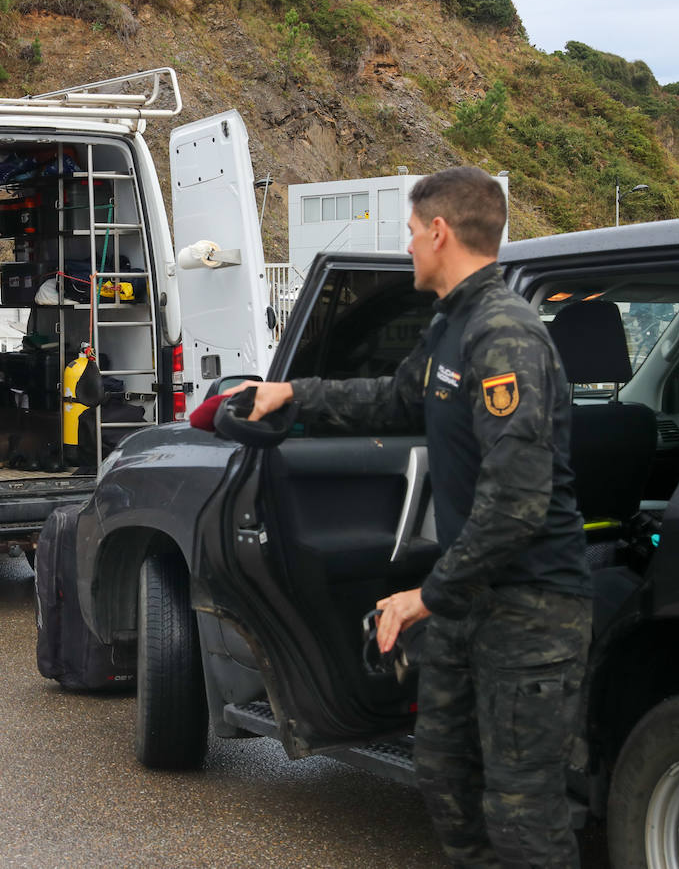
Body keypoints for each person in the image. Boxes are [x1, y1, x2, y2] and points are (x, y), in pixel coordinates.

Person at [236, 167, 590, 867]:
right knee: (444, 774)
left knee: (524, 811)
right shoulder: (452, 325)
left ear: (439, 232)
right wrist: (289, 394)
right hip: (470, 602)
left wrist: (423, 597)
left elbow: (516, 506)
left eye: (409, 234)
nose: (406, 249)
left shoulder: (504, 336)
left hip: (531, 609)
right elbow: (395, 401)